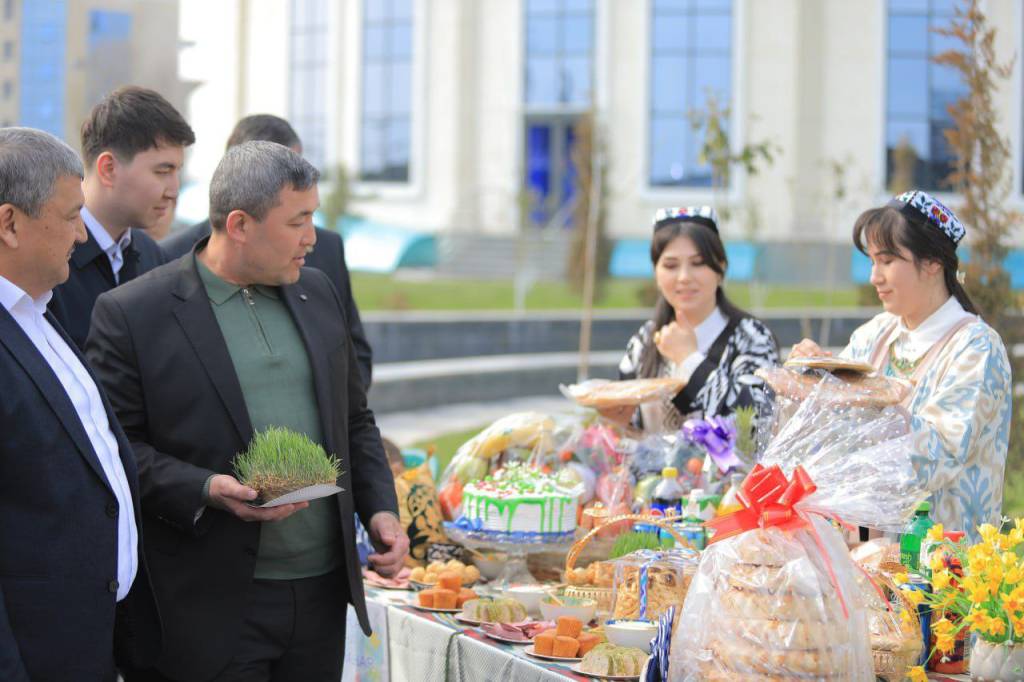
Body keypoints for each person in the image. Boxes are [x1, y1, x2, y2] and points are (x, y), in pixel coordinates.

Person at [86, 141, 405, 682]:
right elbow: (115, 454)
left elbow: (355, 418)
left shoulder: (318, 292)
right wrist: (205, 488)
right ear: (239, 225)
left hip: (323, 599)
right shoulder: (133, 314)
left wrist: (380, 509)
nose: (311, 238)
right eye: (297, 221)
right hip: (207, 612)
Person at [0, 127, 158, 681]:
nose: (82, 234)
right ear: (9, 223)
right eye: (71, 216)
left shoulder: (40, 314)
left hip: (95, 643)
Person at [790, 190, 1012, 538]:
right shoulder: (876, 334)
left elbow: (937, 459)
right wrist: (813, 376)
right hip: (866, 554)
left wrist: (864, 399)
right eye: (872, 262)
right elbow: (831, 434)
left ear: (933, 262)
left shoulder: (976, 348)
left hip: (944, 563)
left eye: (887, 261)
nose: (874, 277)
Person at [161, 114, 373, 387]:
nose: (309, 239)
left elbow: (354, 354)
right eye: (281, 172)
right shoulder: (167, 260)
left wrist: (339, 409)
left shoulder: (326, 254)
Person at [47, 85, 195, 349]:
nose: (173, 190)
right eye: (162, 171)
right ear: (109, 169)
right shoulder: (46, 261)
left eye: (177, 172)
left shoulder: (153, 257)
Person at [615, 206, 779, 432]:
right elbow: (628, 429)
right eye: (671, 265)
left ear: (720, 268)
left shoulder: (752, 338)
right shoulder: (643, 342)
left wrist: (689, 360)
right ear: (656, 273)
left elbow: (758, 423)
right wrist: (614, 422)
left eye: (698, 263)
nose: (684, 277)